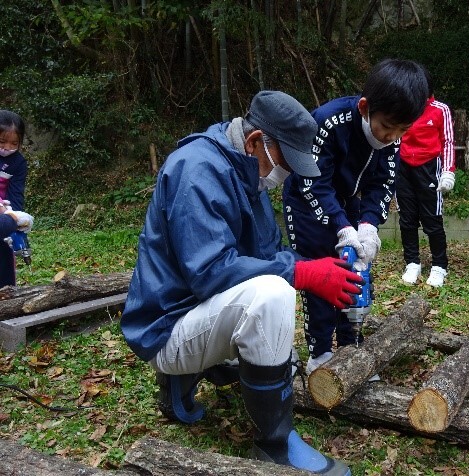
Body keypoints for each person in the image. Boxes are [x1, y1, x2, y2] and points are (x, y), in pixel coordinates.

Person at [120, 91, 363, 476]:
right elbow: (211, 272)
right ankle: (276, 444)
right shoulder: (197, 169)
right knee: (271, 296)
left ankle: (201, 371)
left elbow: (268, 252)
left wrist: (317, 266)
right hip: (166, 326)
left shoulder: (245, 170)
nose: (286, 174)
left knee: (279, 345)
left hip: (197, 313)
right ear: (255, 141)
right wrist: (301, 275)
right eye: (285, 162)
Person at [282, 59, 429, 375]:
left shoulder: (393, 135)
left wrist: (369, 225)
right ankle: (320, 353)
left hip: (348, 200)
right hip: (307, 203)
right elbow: (314, 182)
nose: (393, 136)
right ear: (365, 108)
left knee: (356, 268)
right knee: (322, 276)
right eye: (387, 127)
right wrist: (341, 227)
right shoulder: (327, 122)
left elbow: (383, 183)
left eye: (403, 130)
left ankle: (351, 347)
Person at [397, 66, 456, 287]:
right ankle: (412, 262)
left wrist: (448, 171)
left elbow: (448, 141)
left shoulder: (440, 109)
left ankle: (439, 265)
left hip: (429, 167)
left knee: (432, 220)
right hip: (403, 168)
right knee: (407, 218)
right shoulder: (403, 108)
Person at [0, 110, 29, 287]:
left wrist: (15, 215)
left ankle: (6, 290)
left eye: (14, 143)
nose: (7, 148)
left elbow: (16, 194)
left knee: (6, 229)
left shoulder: (18, 163)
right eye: (2, 142)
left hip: (3, 212)